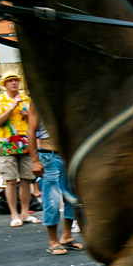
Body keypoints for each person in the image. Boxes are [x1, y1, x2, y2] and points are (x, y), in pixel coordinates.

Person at [27, 103, 82, 256]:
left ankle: (67, 236)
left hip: (67, 155)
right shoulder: (38, 101)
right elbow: (31, 131)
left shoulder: (63, 97)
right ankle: (53, 241)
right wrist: (35, 160)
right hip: (48, 154)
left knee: (72, 196)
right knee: (52, 199)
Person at [0, 71, 38, 227]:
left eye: (16, 81)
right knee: (10, 180)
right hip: (7, 143)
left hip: (25, 142)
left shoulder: (27, 100)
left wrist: (26, 114)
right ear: (4, 84)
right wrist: (12, 107)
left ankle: (25, 212)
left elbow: (35, 121)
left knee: (26, 179)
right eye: (10, 81)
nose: (14, 83)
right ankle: (14, 214)